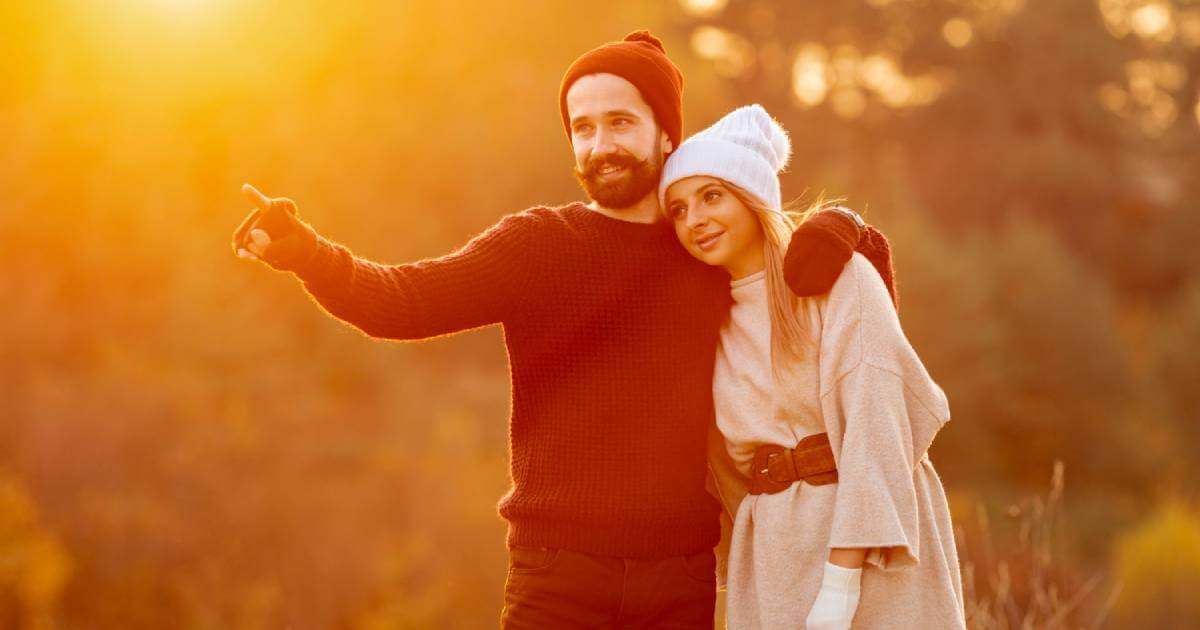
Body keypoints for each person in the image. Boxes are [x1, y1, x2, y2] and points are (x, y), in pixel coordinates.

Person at [231, 31, 890, 628]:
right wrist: (305, 252)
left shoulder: (702, 246)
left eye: (620, 123)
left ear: (667, 135)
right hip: (557, 580)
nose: (600, 145)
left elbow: (826, 289)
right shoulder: (537, 245)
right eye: (583, 127)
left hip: (681, 580)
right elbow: (400, 302)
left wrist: (849, 231)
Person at [660, 104, 965, 629]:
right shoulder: (705, 321)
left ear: (752, 196)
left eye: (712, 196)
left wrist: (840, 587)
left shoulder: (839, 280)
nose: (696, 220)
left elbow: (878, 422)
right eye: (680, 210)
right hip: (775, 553)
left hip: (869, 544)